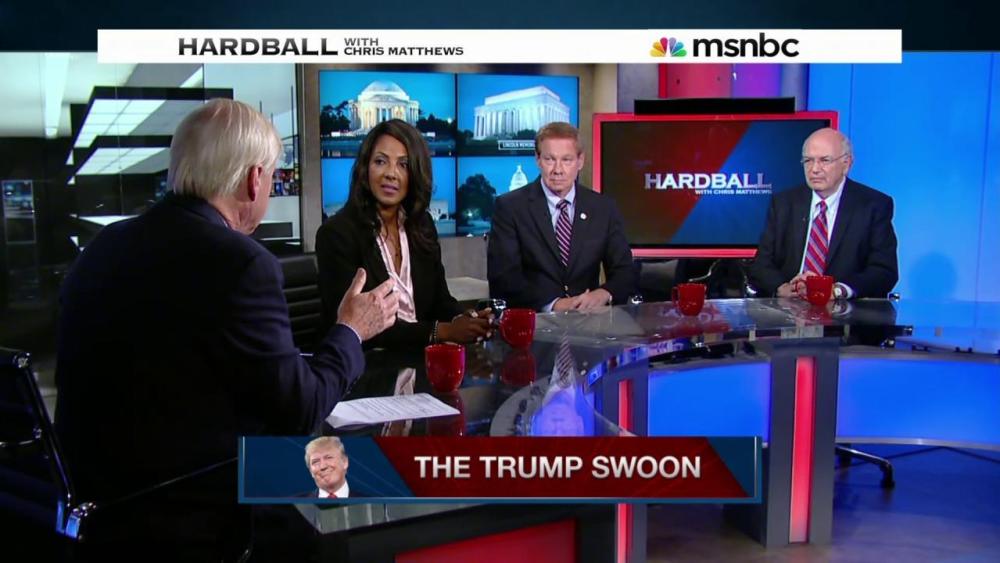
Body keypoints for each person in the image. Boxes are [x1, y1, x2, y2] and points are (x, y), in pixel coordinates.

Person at [54, 99, 398, 557]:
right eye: (272, 176)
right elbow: (300, 410)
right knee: (366, 497)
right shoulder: (240, 263)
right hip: (192, 513)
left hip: (95, 510)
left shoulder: (103, 246)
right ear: (254, 179)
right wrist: (351, 329)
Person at [316, 119, 492, 347]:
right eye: (381, 161)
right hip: (365, 363)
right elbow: (358, 327)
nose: (391, 173)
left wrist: (464, 320)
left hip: (419, 360)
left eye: (403, 164)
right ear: (365, 168)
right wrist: (443, 331)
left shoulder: (422, 225)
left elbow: (440, 300)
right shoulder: (336, 234)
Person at [487, 122, 637, 311]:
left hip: (589, 320)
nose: (558, 170)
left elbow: (625, 271)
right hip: (535, 320)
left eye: (566, 160)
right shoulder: (510, 208)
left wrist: (604, 293)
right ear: (538, 159)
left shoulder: (603, 208)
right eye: (550, 159)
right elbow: (503, 279)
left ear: (580, 161)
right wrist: (554, 305)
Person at [749, 128, 898, 300]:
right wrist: (782, 288)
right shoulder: (784, 203)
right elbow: (761, 264)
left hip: (846, 310)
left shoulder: (873, 205)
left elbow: (884, 271)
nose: (814, 169)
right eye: (808, 161)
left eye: (824, 160)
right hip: (789, 308)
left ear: (846, 163)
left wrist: (838, 290)